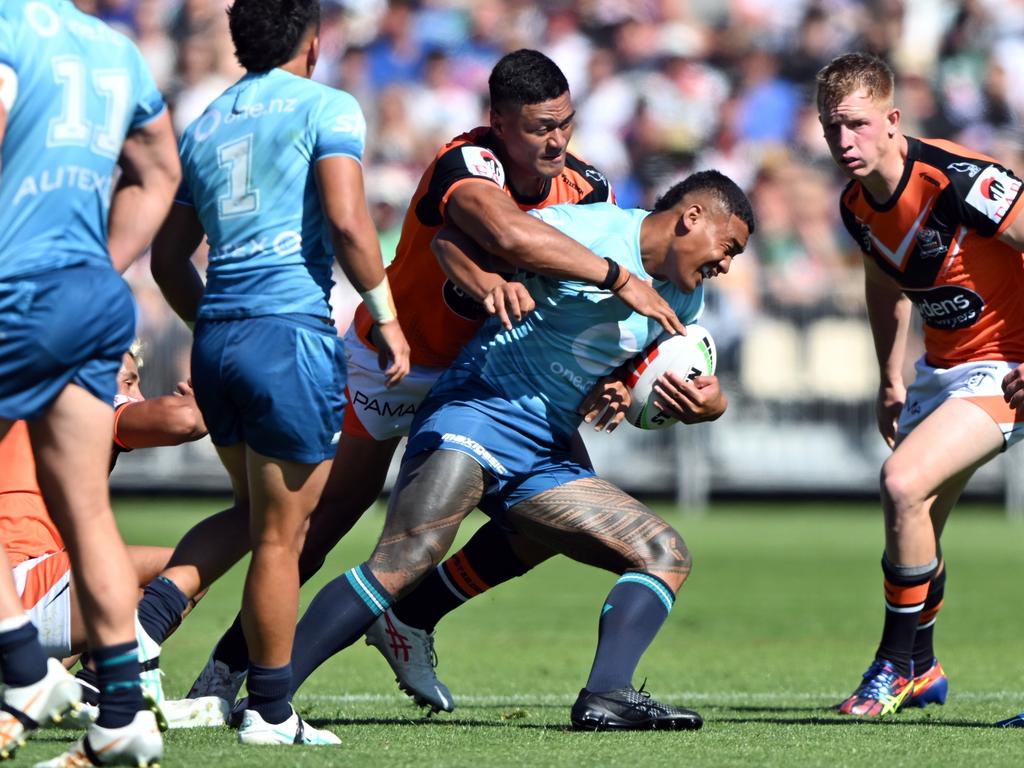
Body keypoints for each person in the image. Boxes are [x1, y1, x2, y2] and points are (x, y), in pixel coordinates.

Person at [185, 48, 684, 715]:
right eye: (539, 126)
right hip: (395, 359)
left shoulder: (590, 189)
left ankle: (411, 618)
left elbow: (587, 315)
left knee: (544, 525)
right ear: (498, 122)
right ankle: (226, 673)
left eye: (565, 122)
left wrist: (624, 377)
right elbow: (491, 234)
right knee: (324, 520)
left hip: (486, 383)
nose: (556, 139)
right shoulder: (465, 161)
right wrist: (588, 277)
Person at [282, 170, 753, 730]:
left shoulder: (686, 294)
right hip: (477, 410)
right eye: (729, 248)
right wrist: (487, 284)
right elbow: (449, 243)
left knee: (664, 555)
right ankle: (269, 698)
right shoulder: (588, 229)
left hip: (544, 447)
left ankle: (607, 695)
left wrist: (701, 402)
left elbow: (657, 368)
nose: (727, 266)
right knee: (404, 560)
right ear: (692, 218)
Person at [149, 0, 409, 747]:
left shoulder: (207, 118)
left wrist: (219, 325)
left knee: (252, 516)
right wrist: (386, 316)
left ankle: (139, 629)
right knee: (281, 538)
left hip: (219, 335)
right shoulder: (327, 105)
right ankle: (268, 711)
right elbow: (352, 220)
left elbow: (168, 259)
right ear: (314, 38)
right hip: (286, 331)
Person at [816, 53, 1024, 719]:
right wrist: (888, 375)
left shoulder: (959, 179)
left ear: (893, 120)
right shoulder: (854, 206)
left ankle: (893, 668)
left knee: (902, 484)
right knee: (916, 524)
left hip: (1006, 364)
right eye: (831, 128)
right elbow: (885, 282)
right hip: (939, 371)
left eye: (856, 124)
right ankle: (924, 663)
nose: (843, 141)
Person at [0, 1, 180, 764]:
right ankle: (121, 714)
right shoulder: (114, 48)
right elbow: (160, 167)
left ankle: (19, 665)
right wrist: (104, 262)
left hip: (17, 284)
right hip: (92, 294)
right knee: (87, 510)